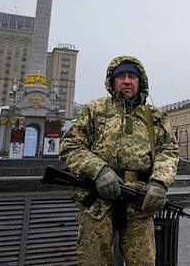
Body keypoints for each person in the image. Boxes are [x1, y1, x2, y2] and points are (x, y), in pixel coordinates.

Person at [60, 56, 179, 265]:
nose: (126, 81)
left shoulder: (155, 116)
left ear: (140, 81)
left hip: (139, 204)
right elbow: (70, 146)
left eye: (132, 76)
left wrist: (160, 183)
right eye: (121, 76)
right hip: (97, 203)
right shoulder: (95, 110)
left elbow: (168, 150)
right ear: (112, 81)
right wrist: (99, 171)